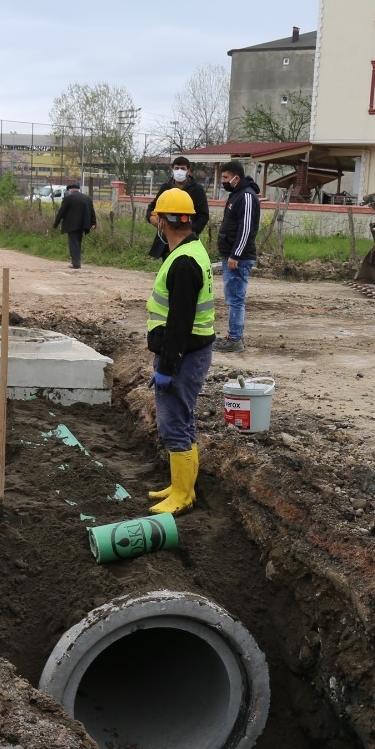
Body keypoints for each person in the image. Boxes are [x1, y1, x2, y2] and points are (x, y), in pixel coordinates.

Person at [143, 187, 215, 516]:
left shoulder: (184, 262)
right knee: (182, 421)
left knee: (173, 423)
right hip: (191, 352)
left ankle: (183, 496)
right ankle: (181, 485)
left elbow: (179, 322)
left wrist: (167, 367)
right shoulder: (190, 249)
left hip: (184, 355)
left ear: (163, 222)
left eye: (157, 216)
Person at [215, 160, 261, 353]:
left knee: (235, 299)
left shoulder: (247, 197)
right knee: (232, 298)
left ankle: (235, 339)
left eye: (225, 177)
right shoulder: (236, 195)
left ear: (236, 177)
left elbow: (246, 229)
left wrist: (236, 254)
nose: (223, 181)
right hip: (231, 256)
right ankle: (233, 336)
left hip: (238, 259)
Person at [148, 156, 209, 260]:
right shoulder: (165, 188)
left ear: (188, 171)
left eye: (182, 168)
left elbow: (203, 215)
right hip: (167, 238)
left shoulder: (197, 190)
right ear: (172, 170)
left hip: (186, 238)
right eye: (176, 168)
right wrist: (151, 218)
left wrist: (190, 231)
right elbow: (152, 208)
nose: (179, 171)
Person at [52, 183, 97, 269]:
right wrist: (93, 223)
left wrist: (56, 224)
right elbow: (92, 211)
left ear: (70, 190)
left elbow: (61, 212)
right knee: (78, 243)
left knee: (73, 243)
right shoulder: (87, 198)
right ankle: (76, 261)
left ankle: (76, 263)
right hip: (83, 224)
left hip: (72, 224)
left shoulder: (68, 198)